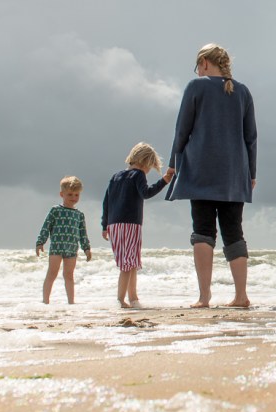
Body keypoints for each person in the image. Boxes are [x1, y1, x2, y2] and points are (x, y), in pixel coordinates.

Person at [167, 44, 257, 308]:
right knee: (234, 232)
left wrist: (173, 163)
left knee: (203, 232)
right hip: (234, 173)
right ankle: (241, 296)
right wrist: (251, 172)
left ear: (204, 62)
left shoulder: (196, 87)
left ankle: (204, 297)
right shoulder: (242, 91)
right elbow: (251, 137)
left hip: (201, 171)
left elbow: (181, 129)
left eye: (197, 67)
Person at [101, 143, 175, 309]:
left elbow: (107, 202)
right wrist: (164, 181)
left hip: (114, 224)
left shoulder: (115, 177)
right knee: (129, 263)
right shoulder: (138, 175)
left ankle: (133, 298)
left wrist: (104, 225)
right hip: (130, 224)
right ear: (146, 162)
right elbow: (146, 193)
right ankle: (120, 300)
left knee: (130, 262)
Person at [36, 176, 92, 304]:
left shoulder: (79, 214)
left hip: (72, 248)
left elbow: (83, 233)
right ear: (62, 194)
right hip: (56, 247)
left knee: (69, 276)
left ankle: (71, 303)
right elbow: (46, 226)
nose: (73, 197)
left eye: (77, 195)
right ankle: (45, 302)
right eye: (70, 194)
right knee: (52, 273)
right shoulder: (55, 210)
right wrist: (40, 242)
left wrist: (87, 248)